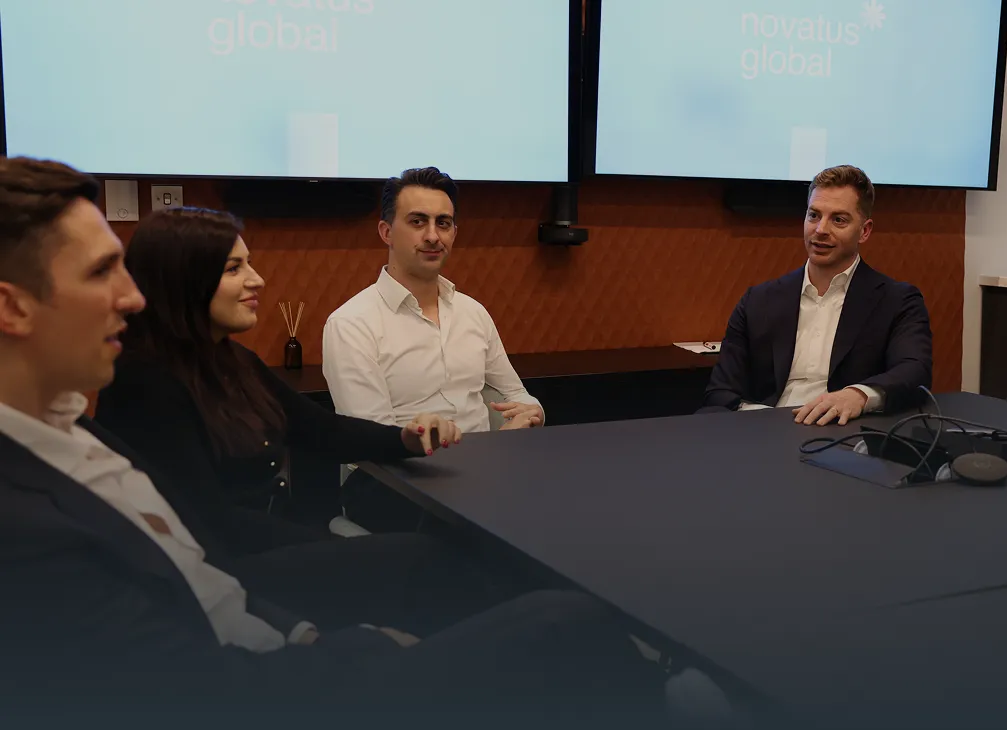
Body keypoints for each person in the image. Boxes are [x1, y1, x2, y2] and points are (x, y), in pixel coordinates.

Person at [0, 157, 667, 722]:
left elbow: (314, 431)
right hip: (289, 658)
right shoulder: (48, 501)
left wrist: (411, 438)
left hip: (280, 616)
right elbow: (198, 643)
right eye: (101, 272)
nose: (130, 297)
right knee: (553, 616)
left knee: (527, 597)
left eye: (445, 223)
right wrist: (336, 638)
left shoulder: (110, 412)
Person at [94, 207, 462, 559]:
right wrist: (325, 546)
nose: (257, 279)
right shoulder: (144, 384)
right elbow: (206, 524)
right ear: (183, 281)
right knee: (427, 556)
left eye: (248, 264)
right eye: (234, 268)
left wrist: (405, 439)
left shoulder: (231, 359)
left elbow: (322, 430)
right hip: (224, 569)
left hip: (265, 542)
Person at [702, 164, 933, 425]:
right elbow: (720, 392)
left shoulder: (897, 301)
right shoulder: (758, 300)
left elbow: (914, 370)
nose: (821, 229)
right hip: (764, 430)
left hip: (841, 432)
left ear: (864, 231)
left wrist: (858, 395)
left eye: (838, 220)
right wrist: (766, 420)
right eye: (814, 215)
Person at [323, 166, 544, 433]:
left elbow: (515, 394)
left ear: (454, 233)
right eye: (417, 222)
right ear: (386, 232)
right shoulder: (350, 324)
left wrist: (533, 413)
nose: (432, 236)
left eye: (443, 223)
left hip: (492, 456)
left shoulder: (472, 312)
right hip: (410, 460)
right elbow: (373, 440)